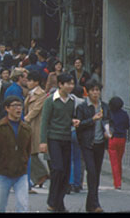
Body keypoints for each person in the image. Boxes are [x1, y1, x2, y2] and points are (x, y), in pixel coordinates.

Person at [0, 95, 32, 212]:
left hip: (21, 173)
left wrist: (24, 162)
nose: (18, 109)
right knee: (0, 207)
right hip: (3, 172)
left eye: (20, 106)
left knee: (23, 206)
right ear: (7, 108)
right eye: (15, 106)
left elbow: (28, 150)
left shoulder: (26, 128)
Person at [40, 73, 80, 213]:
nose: (70, 86)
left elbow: (68, 118)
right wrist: (43, 141)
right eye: (68, 83)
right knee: (57, 169)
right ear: (60, 84)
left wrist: (73, 121)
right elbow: (44, 122)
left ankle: (59, 202)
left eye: (72, 83)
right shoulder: (50, 100)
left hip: (67, 138)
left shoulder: (71, 101)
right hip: (53, 138)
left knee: (65, 172)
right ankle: (52, 201)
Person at [75, 79, 111, 213]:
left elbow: (108, 121)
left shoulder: (105, 106)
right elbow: (79, 125)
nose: (95, 93)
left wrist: (108, 131)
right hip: (87, 144)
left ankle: (90, 205)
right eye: (93, 90)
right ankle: (95, 203)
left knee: (96, 173)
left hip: (100, 143)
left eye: (97, 90)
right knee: (91, 172)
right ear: (88, 92)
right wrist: (93, 120)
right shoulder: (83, 107)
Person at [24, 70, 49, 189]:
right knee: (30, 152)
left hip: (35, 125)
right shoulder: (31, 93)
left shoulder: (41, 94)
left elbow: (36, 109)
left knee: (31, 152)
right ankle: (40, 176)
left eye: (30, 80)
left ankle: (41, 175)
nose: (28, 83)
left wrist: (26, 119)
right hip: (29, 124)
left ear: (36, 82)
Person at [107, 96, 130, 190]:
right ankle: (119, 179)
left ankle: (117, 182)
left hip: (112, 138)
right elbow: (128, 126)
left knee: (114, 162)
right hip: (122, 138)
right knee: (119, 160)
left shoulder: (110, 114)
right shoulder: (125, 114)